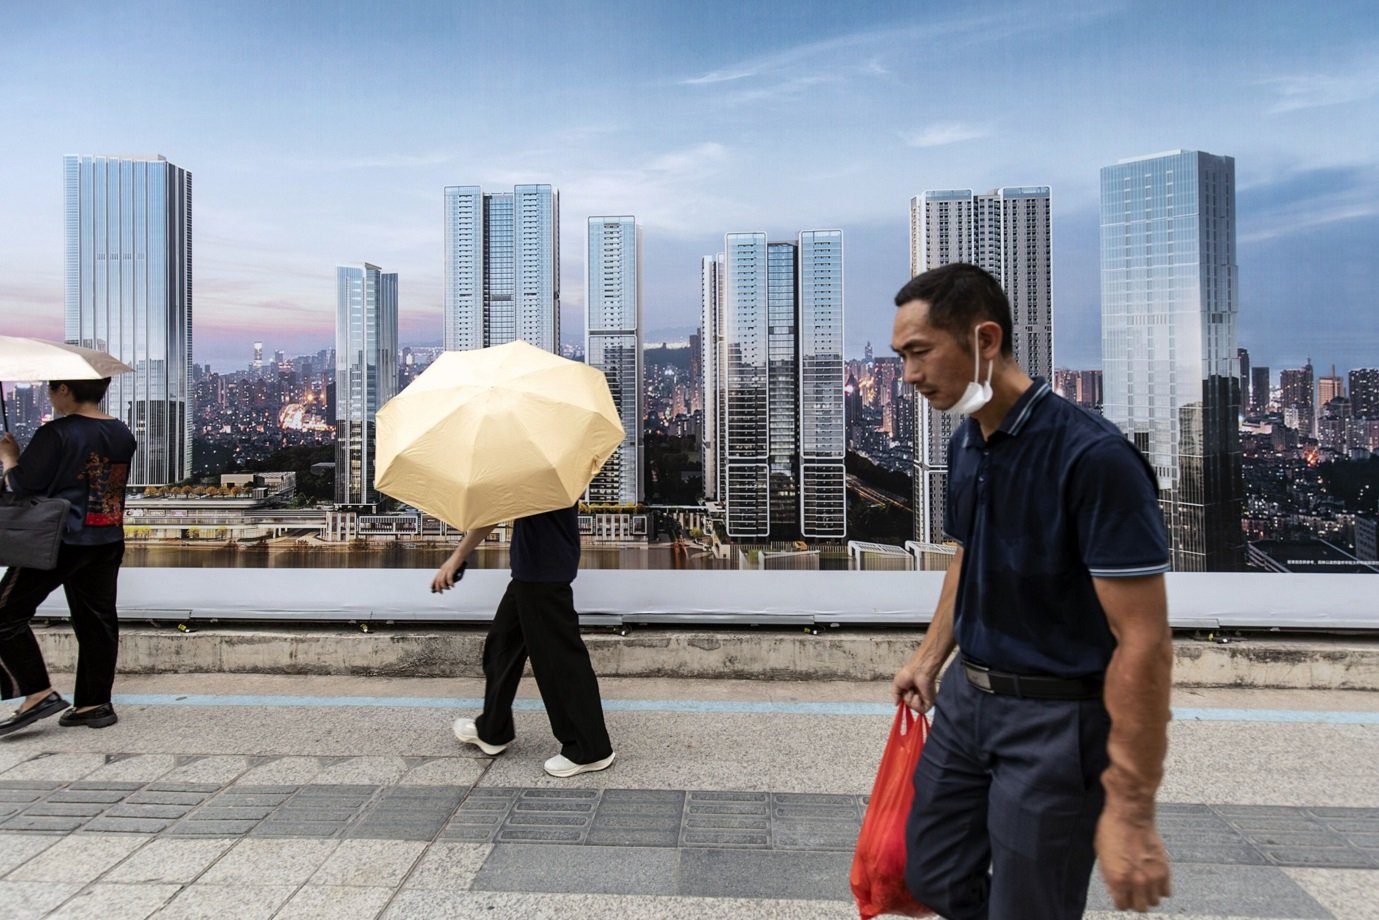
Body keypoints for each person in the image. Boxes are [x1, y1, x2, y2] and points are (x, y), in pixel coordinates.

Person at [888, 263, 1174, 917]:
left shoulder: (1091, 458)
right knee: (929, 873)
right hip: (967, 702)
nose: (907, 376)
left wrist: (1130, 806)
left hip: (1055, 721)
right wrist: (930, 657)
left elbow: (1144, 641)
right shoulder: (969, 440)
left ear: (984, 340)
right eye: (899, 357)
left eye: (918, 352)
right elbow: (968, 552)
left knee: (1029, 907)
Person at [431, 503, 615, 777]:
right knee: (501, 648)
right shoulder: (540, 469)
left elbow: (492, 512)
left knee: (560, 661)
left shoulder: (539, 471)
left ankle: (590, 749)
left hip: (543, 573)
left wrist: (457, 557)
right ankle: (493, 730)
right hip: (531, 571)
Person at [0, 378, 137, 736]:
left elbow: (23, 486)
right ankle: (94, 704)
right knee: (97, 620)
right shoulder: (122, 432)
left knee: (4, 614)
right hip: (106, 536)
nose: (50, 395)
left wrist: (9, 458)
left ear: (64, 390)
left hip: (59, 539)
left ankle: (37, 692)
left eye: (51, 389)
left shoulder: (57, 433)